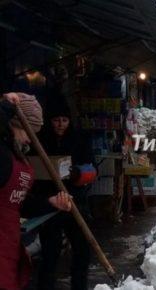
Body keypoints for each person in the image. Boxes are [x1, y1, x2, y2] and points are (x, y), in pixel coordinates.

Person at [0, 92, 71, 290]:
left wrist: (50, 203)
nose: (30, 141)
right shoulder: (2, 156)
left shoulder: (15, 157)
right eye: (28, 132)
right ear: (13, 125)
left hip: (8, 247)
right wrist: (5, 108)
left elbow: (17, 203)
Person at [23, 102, 94, 290]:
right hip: (51, 204)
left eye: (64, 120)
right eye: (56, 120)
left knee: (82, 250)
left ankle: (79, 286)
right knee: (50, 253)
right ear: (49, 121)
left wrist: (77, 174)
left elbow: (92, 169)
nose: (60, 124)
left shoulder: (79, 140)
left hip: (74, 202)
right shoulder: (39, 142)